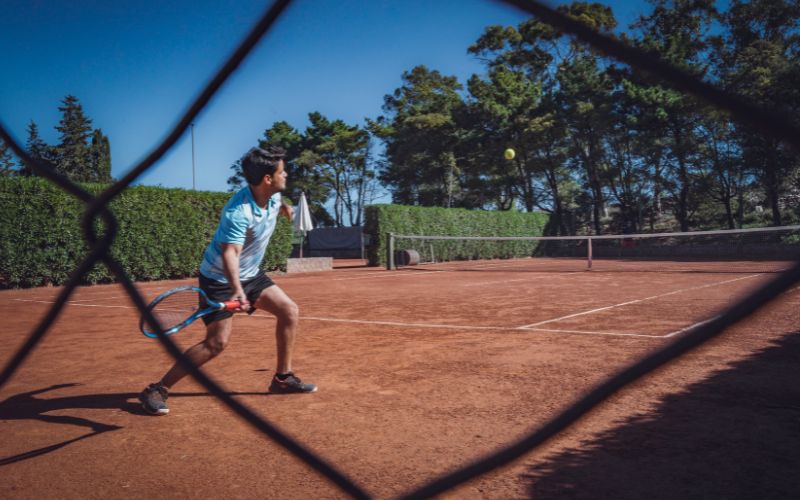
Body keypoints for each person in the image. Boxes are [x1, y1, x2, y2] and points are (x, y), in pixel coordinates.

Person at [139, 146, 316, 416]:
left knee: (289, 310)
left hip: (252, 274)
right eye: (282, 171)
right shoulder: (238, 213)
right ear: (267, 179)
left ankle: (282, 379)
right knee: (216, 343)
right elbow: (230, 253)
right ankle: (157, 388)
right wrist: (237, 291)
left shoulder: (271, 194)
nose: (286, 174)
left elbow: (276, 201)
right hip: (220, 278)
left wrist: (285, 206)